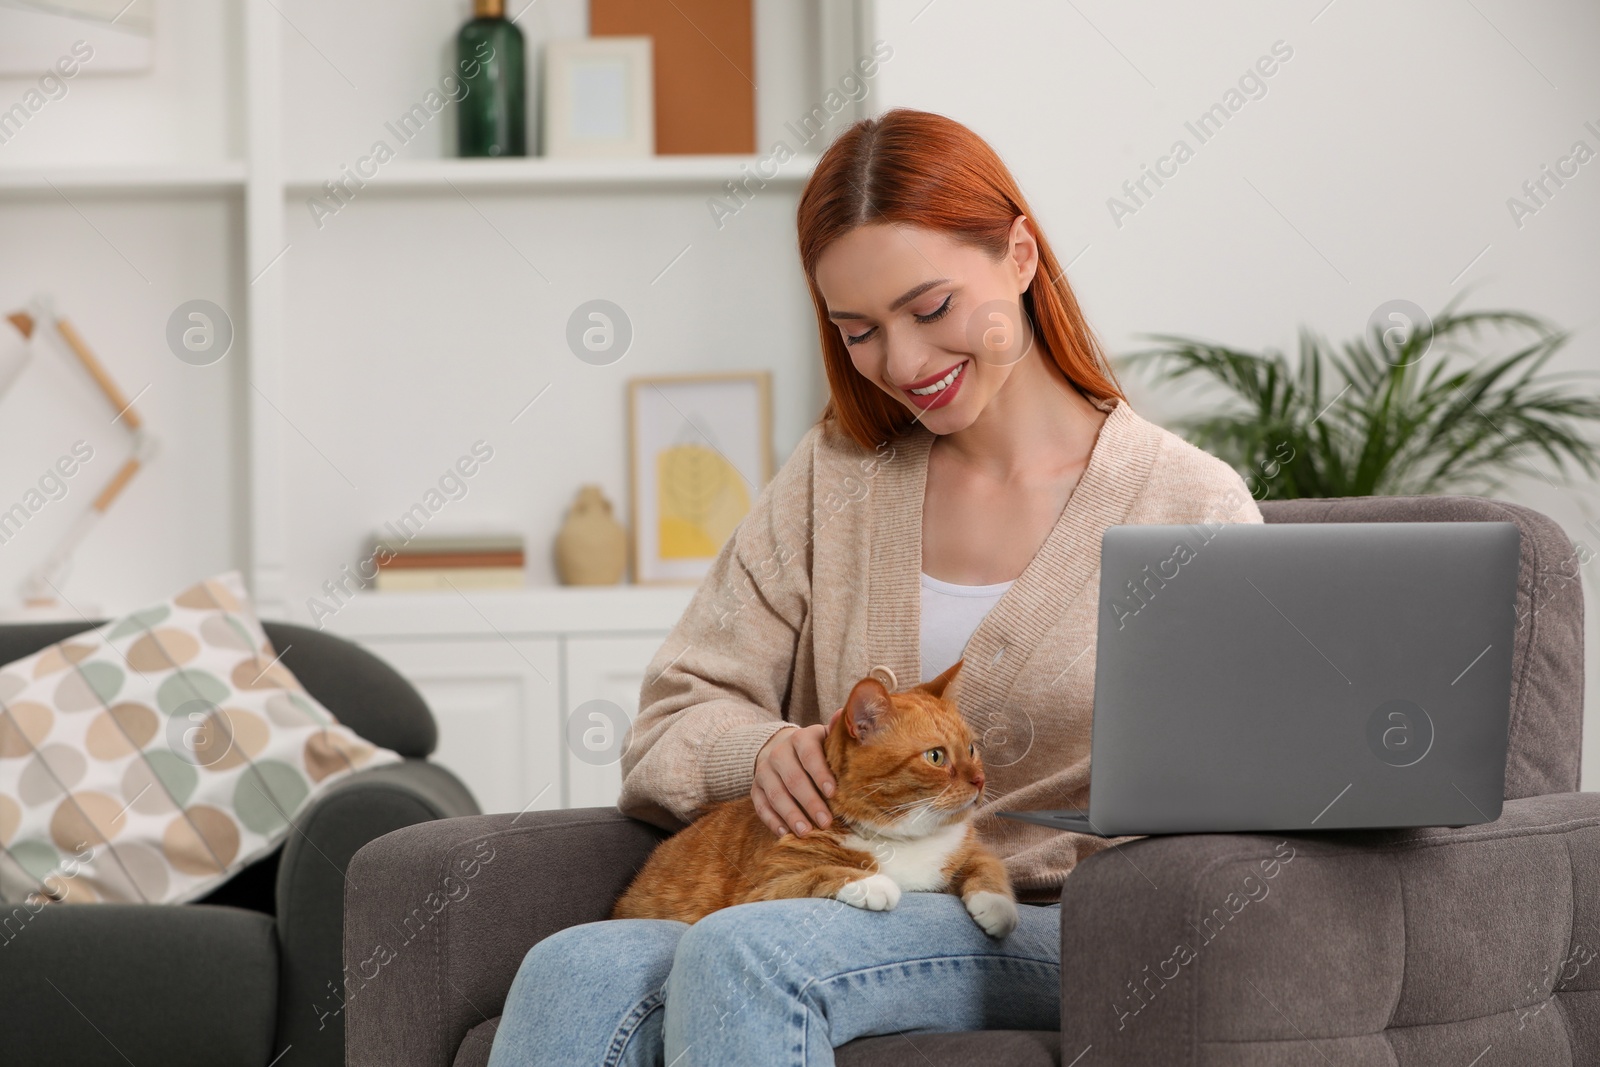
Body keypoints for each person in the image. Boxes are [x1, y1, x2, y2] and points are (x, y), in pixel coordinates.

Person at [487, 107, 1261, 1067]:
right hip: (834, 883)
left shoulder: (1189, 503)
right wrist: (762, 751)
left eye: (930, 309)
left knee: (752, 954)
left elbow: (1255, 784)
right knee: (574, 967)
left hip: (1056, 924)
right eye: (858, 330)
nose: (900, 364)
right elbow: (671, 721)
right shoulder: (838, 474)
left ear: (1020, 255)